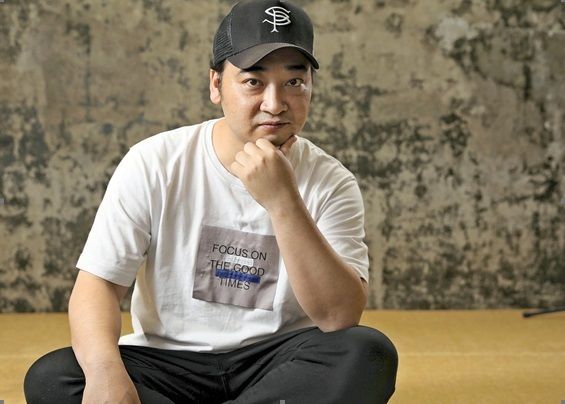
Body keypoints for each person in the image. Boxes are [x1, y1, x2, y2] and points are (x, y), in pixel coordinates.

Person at [23, 0, 398, 402]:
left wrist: (283, 201)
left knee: (367, 353)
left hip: (276, 363)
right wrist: (104, 375)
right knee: (56, 376)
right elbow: (98, 284)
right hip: (169, 363)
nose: (275, 104)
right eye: (253, 82)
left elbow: (339, 316)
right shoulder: (155, 162)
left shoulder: (331, 181)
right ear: (216, 85)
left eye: (294, 81)